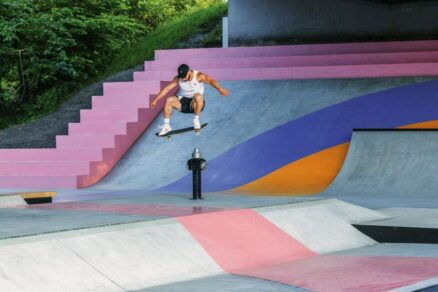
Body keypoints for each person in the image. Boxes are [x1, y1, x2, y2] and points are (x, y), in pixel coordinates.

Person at [151, 64, 230, 136]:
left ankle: (196, 121)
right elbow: (167, 88)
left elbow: (210, 81)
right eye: (182, 77)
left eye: (185, 76)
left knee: (198, 96)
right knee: (169, 100)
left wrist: (220, 89)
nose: (184, 78)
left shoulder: (199, 76)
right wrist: (156, 100)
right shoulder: (178, 78)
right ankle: (166, 126)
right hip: (183, 103)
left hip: (196, 104)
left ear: (189, 71)